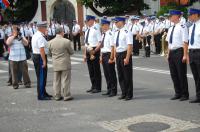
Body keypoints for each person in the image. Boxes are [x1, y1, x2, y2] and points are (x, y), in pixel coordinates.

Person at [166, 10, 189, 101]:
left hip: (179, 52)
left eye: (171, 15)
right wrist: (168, 53)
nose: (170, 17)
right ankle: (177, 92)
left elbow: (185, 42)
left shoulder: (182, 27)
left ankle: (184, 94)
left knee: (181, 74)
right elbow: (169, 42)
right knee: (173, 74)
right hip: (172, 52)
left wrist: (185, 54)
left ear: (177, 16)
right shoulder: (171, 28)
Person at [48, 26, 74, 101]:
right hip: (65, 63)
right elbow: (71, 52)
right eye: (63, 32)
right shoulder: (66, 41)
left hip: (56, 63)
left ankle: (57, 95)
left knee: (56, 80)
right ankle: (66, 95)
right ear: (61, 32)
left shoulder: (50, 42)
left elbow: (49, 54)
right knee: (65, 79)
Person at [114, 17, 133, 101]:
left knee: (127, 75)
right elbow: (115, 45)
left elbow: (129, 46)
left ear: (121, 22)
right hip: (118, 54)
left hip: (124, 54)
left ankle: (129, 94)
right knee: (120, 75)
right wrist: (115, 56)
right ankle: (123, 93)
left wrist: (127, 57)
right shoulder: (117, 32)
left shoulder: (127, 32)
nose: (115, 23)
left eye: (116, 22)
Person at [32, 21, 52, 100]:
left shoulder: (37, 35)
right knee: (41, 77)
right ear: (41, 28)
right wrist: (44, 61)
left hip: (37, 56)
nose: (46, 29)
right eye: (45, 27)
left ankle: (43, 92)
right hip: (40, 57)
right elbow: (41, 50)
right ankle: (41, 95)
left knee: (43, 76)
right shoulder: (40, 36)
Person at [6, 25, 31, 89]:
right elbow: (8, 43)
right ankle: (15, 85)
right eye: (14, 30)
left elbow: (26, 44)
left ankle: (27, 83)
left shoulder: (21, 37)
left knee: (25, 71)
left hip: (22, 58)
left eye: (16, 30)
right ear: (12, 31)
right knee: (14, 72)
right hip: (13, 58)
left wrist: (21, 38)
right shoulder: (10, 37)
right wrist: (14, 36)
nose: (16, 32)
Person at [84, 15, 102, 93]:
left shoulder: (96, 29)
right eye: (86, 21)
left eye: (87, 21)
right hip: (88, 50)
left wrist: (95, 51)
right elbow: (85, 43)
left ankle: (98, 87)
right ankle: (93, 85)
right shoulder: (87, 30)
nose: (86, 22)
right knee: (90, 70)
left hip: (94, 50)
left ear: (91, 20)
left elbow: (100, 42)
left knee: (96, 69)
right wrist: (84, 54)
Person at [100, 19, 117, 97]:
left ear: (106, 25)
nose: (102, 26)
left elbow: (113, 46)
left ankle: (113, 90)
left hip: (109, 55)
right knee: (106, 73)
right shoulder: (103, 34)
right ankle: (109, 89)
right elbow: (101, 46)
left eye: (103, 25)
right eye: (101, 25)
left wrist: (111, 57)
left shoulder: (110, 34)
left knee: (111, 73)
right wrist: (100, 56)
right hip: (104, 55)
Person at [188, 8, 200, 103]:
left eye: (191, 14)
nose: (189, 16)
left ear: (196, 15)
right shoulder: (191, 27)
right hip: (192, 52)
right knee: (196, 76)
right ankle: (198, 96)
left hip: (199, 52)